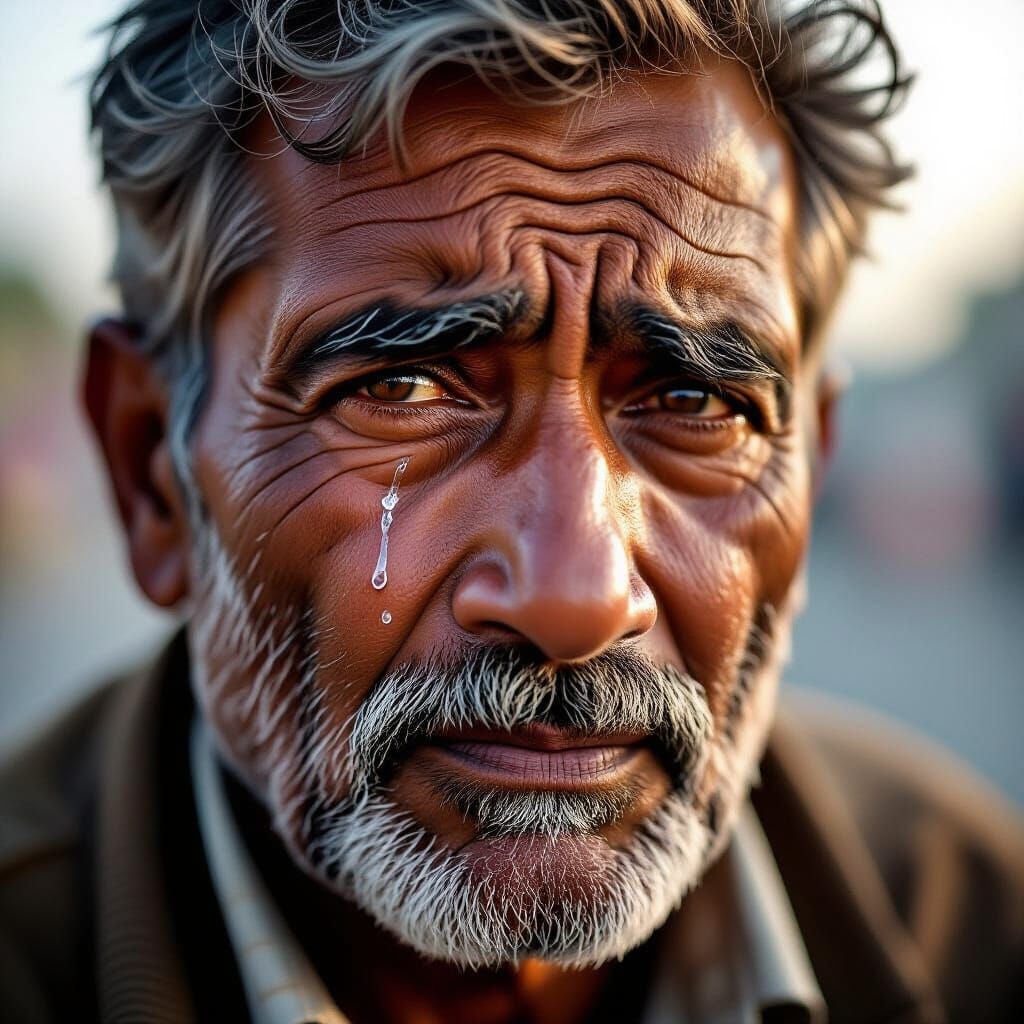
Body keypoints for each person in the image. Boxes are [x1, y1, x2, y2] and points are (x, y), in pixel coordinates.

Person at [1, 1, 1022, 1021]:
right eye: (401, 389)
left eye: (695, 402)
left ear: (811, 459)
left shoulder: (973, 923)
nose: (575, 598)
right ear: (151, 474)